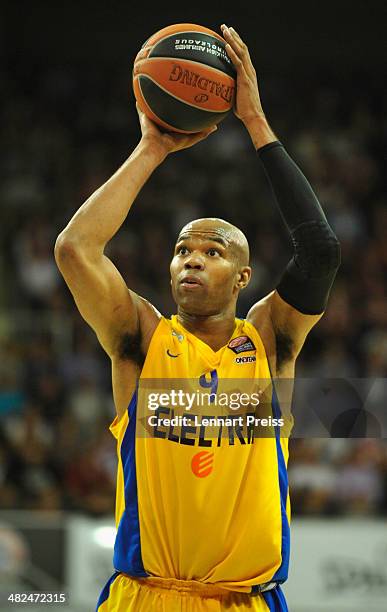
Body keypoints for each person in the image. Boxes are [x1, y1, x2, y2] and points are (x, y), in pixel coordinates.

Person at [54, 24, 340, 612]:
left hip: (246, 599)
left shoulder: (270, 339)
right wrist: (152, 147)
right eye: (184, 249)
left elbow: (320, 251)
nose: (193, 259)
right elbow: (75, 250)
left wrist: (257, 125)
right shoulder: (141, 338)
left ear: (242, 277)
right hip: (148, 596)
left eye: (214, 252)